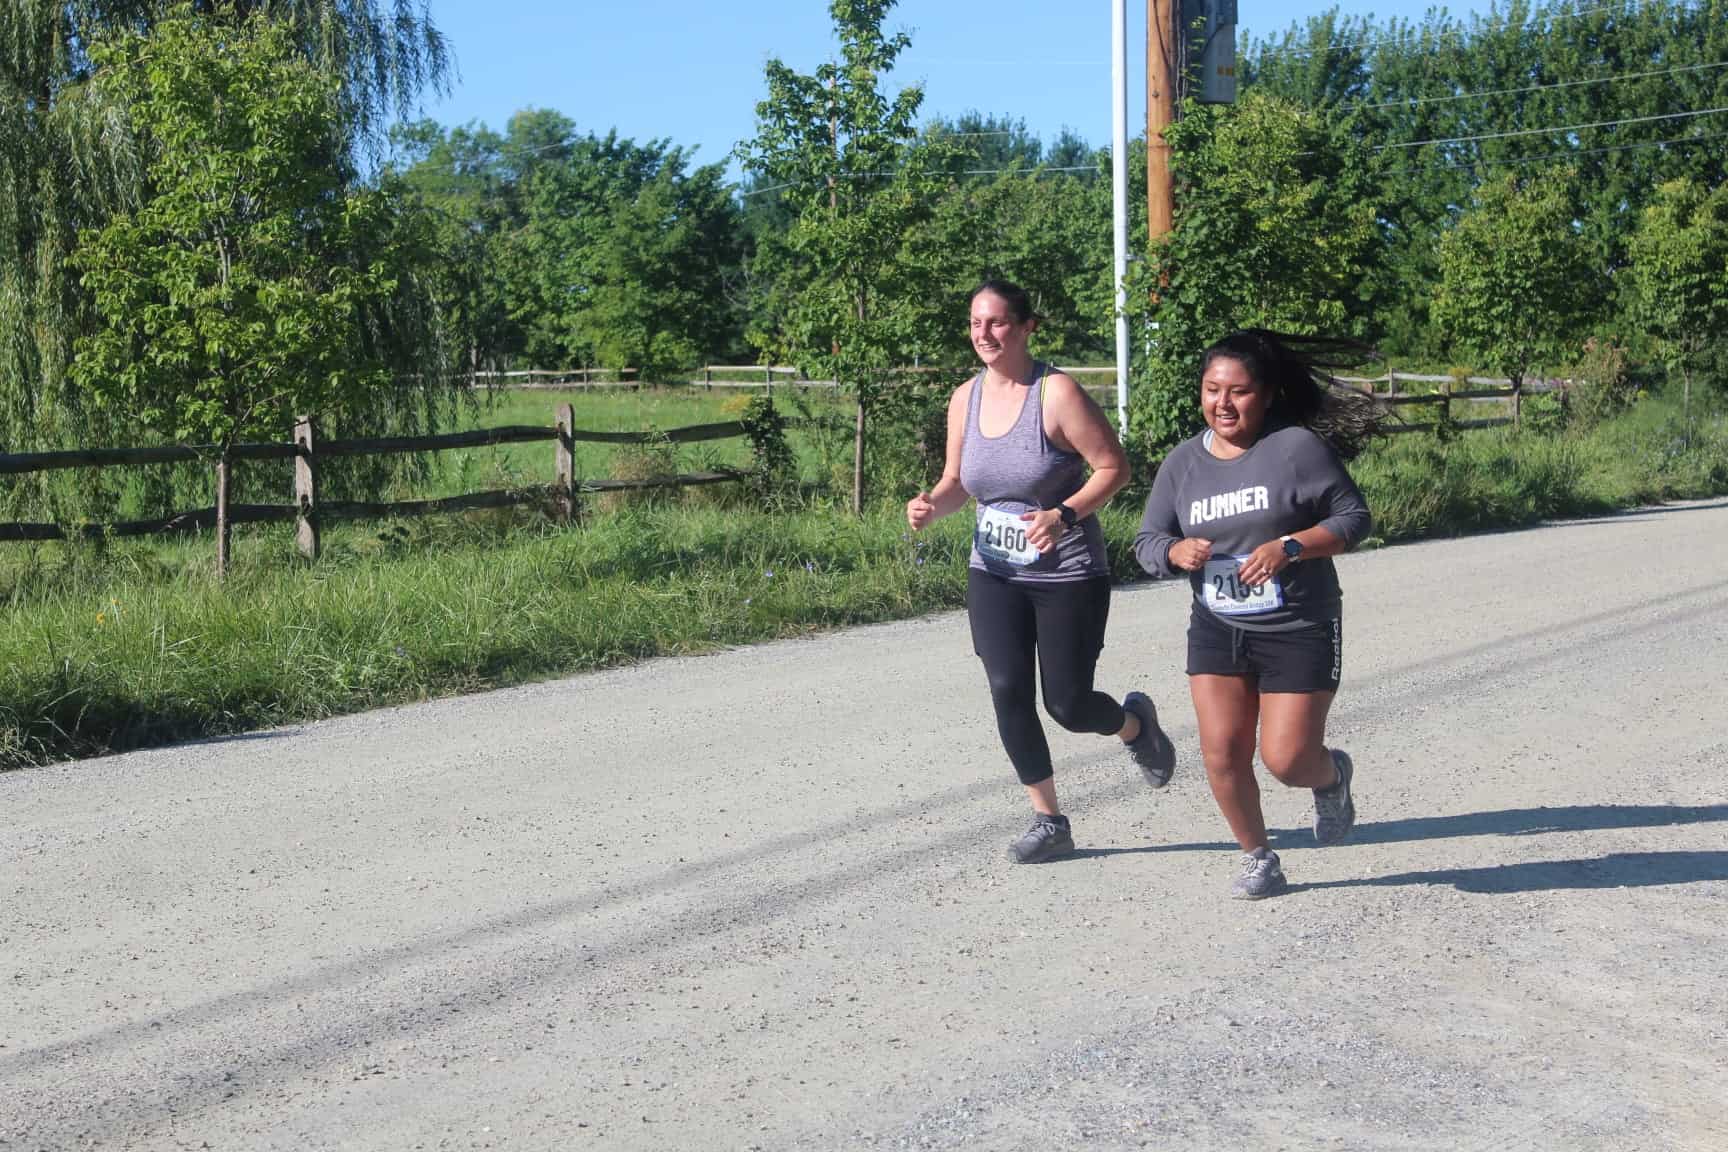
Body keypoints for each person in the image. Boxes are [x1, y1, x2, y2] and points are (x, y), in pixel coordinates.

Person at [907, 279, 1175, 864]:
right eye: (976, 323)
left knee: (1069, 705)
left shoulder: (1056, 394)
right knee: (1007, 691)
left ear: (1027, 327)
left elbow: (1113, 468)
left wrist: (1064, 514)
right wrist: (931, 506)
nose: (984, 334)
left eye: (998, 323)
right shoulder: (965, 398)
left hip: (1068, 576)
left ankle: (1135, 728)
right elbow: (958, 485)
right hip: (995, 571)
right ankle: (1049, 819)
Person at [1133, 329, 1381, 899]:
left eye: (1238, 392)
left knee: (1288, 760)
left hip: (1298, 624)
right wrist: (1172, 552)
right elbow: (1148, 540)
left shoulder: (1295, 449)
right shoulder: (1183, 464)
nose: (1223, 403)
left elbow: (1353, 517)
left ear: (1265, 395)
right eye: (1211, 389)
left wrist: (1290, 547)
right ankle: (1258, 855)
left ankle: (1331, 776)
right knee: (1220, 751)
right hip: (1218, 626)